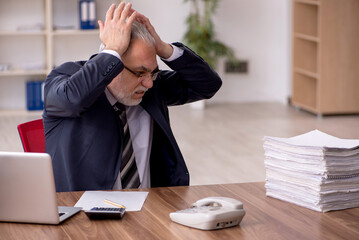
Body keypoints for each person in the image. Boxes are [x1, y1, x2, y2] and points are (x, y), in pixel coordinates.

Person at [42, 2, 222, 192]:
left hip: (151, 206)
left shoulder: (151, 86)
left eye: (152, 73)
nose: (149, 83)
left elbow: (208, 85)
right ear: (114, 64)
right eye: (139, 72)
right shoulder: (66, 80)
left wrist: (164, 48)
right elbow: (73, 101)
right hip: (86, 212)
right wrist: (113, 50)